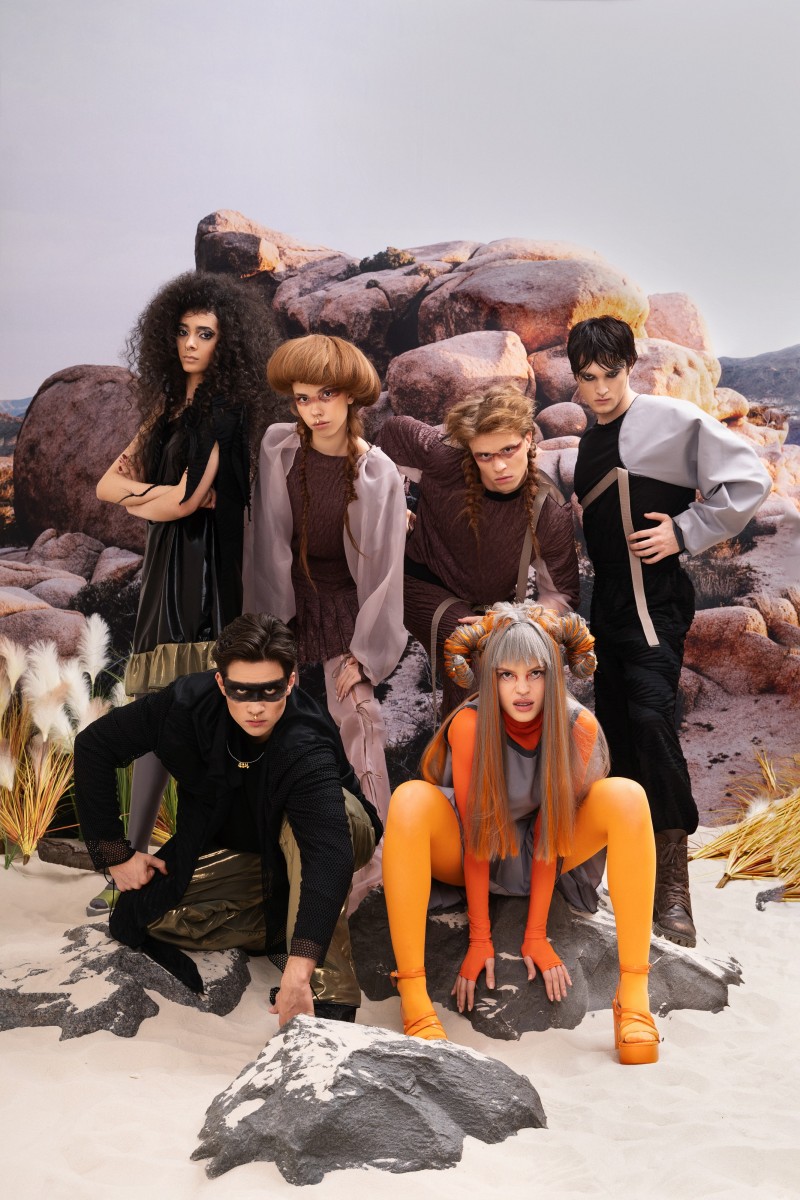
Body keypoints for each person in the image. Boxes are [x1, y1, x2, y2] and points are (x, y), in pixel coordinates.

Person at [382, 602, 660, 1065]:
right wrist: (480, 938)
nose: (523, 689)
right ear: (490, 677)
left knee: (629, 797)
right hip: (472, 850)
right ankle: (413, 995)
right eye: (507, 675)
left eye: (535, 673)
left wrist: (536, 934)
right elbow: (475, 836)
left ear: (555, 675)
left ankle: (633, 998)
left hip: (545, 850)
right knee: (409, 799)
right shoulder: (470, 725)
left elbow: (553, 831)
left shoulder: (578, 726)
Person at [569, 316, 772, 947]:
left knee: (653, 721)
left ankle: (675, 890)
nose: (601, 389)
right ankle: (634, 873)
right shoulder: (587, 441)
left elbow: (750, 479)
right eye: (588, 377)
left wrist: (684, 531)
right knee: (618, 734)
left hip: (655, 604)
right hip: (607, 609)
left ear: (630, 366)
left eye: (611, 374)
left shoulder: (667, 419)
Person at [74, 613, 380, 1024]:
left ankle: (325, 994)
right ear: (221, 683)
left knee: (304, 829)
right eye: (241, 691)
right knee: (149, 915)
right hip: (248, 848)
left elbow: (329, 854)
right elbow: (94, 745)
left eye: (270, 691)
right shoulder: (186, 704)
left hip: (335, 834)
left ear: (290, 682)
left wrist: (298, 970)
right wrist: (116, 854)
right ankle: (286, 916)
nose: (255, 707)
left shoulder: (304, 740)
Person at [88, 271, 271, 916]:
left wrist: (145, 498)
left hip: (206, 576)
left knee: (191, 717)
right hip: (166, 568)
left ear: (227, 342)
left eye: (206, 334)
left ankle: (185, 867)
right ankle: (128, 860)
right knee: (150, 715)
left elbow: (189, 501)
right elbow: (107, 487)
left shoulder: (225, 411)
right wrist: (154, 499)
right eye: (184, 331)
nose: (191, 343)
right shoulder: (166, 407)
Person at [246, 335, 407, 842]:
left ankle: (376, 849)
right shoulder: (278, 450)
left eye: (327, 395)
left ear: (350, 396)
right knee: (266, 721)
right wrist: (264, 632)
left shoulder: (377, 473)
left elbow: (385, 575)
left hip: (343, 605)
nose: (314, 410)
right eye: (302, 398)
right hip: (286, 602)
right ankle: (272, 841)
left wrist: (365, 654)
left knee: (361, 716)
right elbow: (264, 541)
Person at [376, 384, 580, 722]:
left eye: (508, 449)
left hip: (489, 609)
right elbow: (390, 433)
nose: (499, 466)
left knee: (501, 669)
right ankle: (458, 749)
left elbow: (560, 595)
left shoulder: (549, 510)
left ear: (529, 438)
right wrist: (394, 503)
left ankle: (479, 745)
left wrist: (512, 618)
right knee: (469, 650)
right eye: (485, 455)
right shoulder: (441, 457)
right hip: (419, 580)